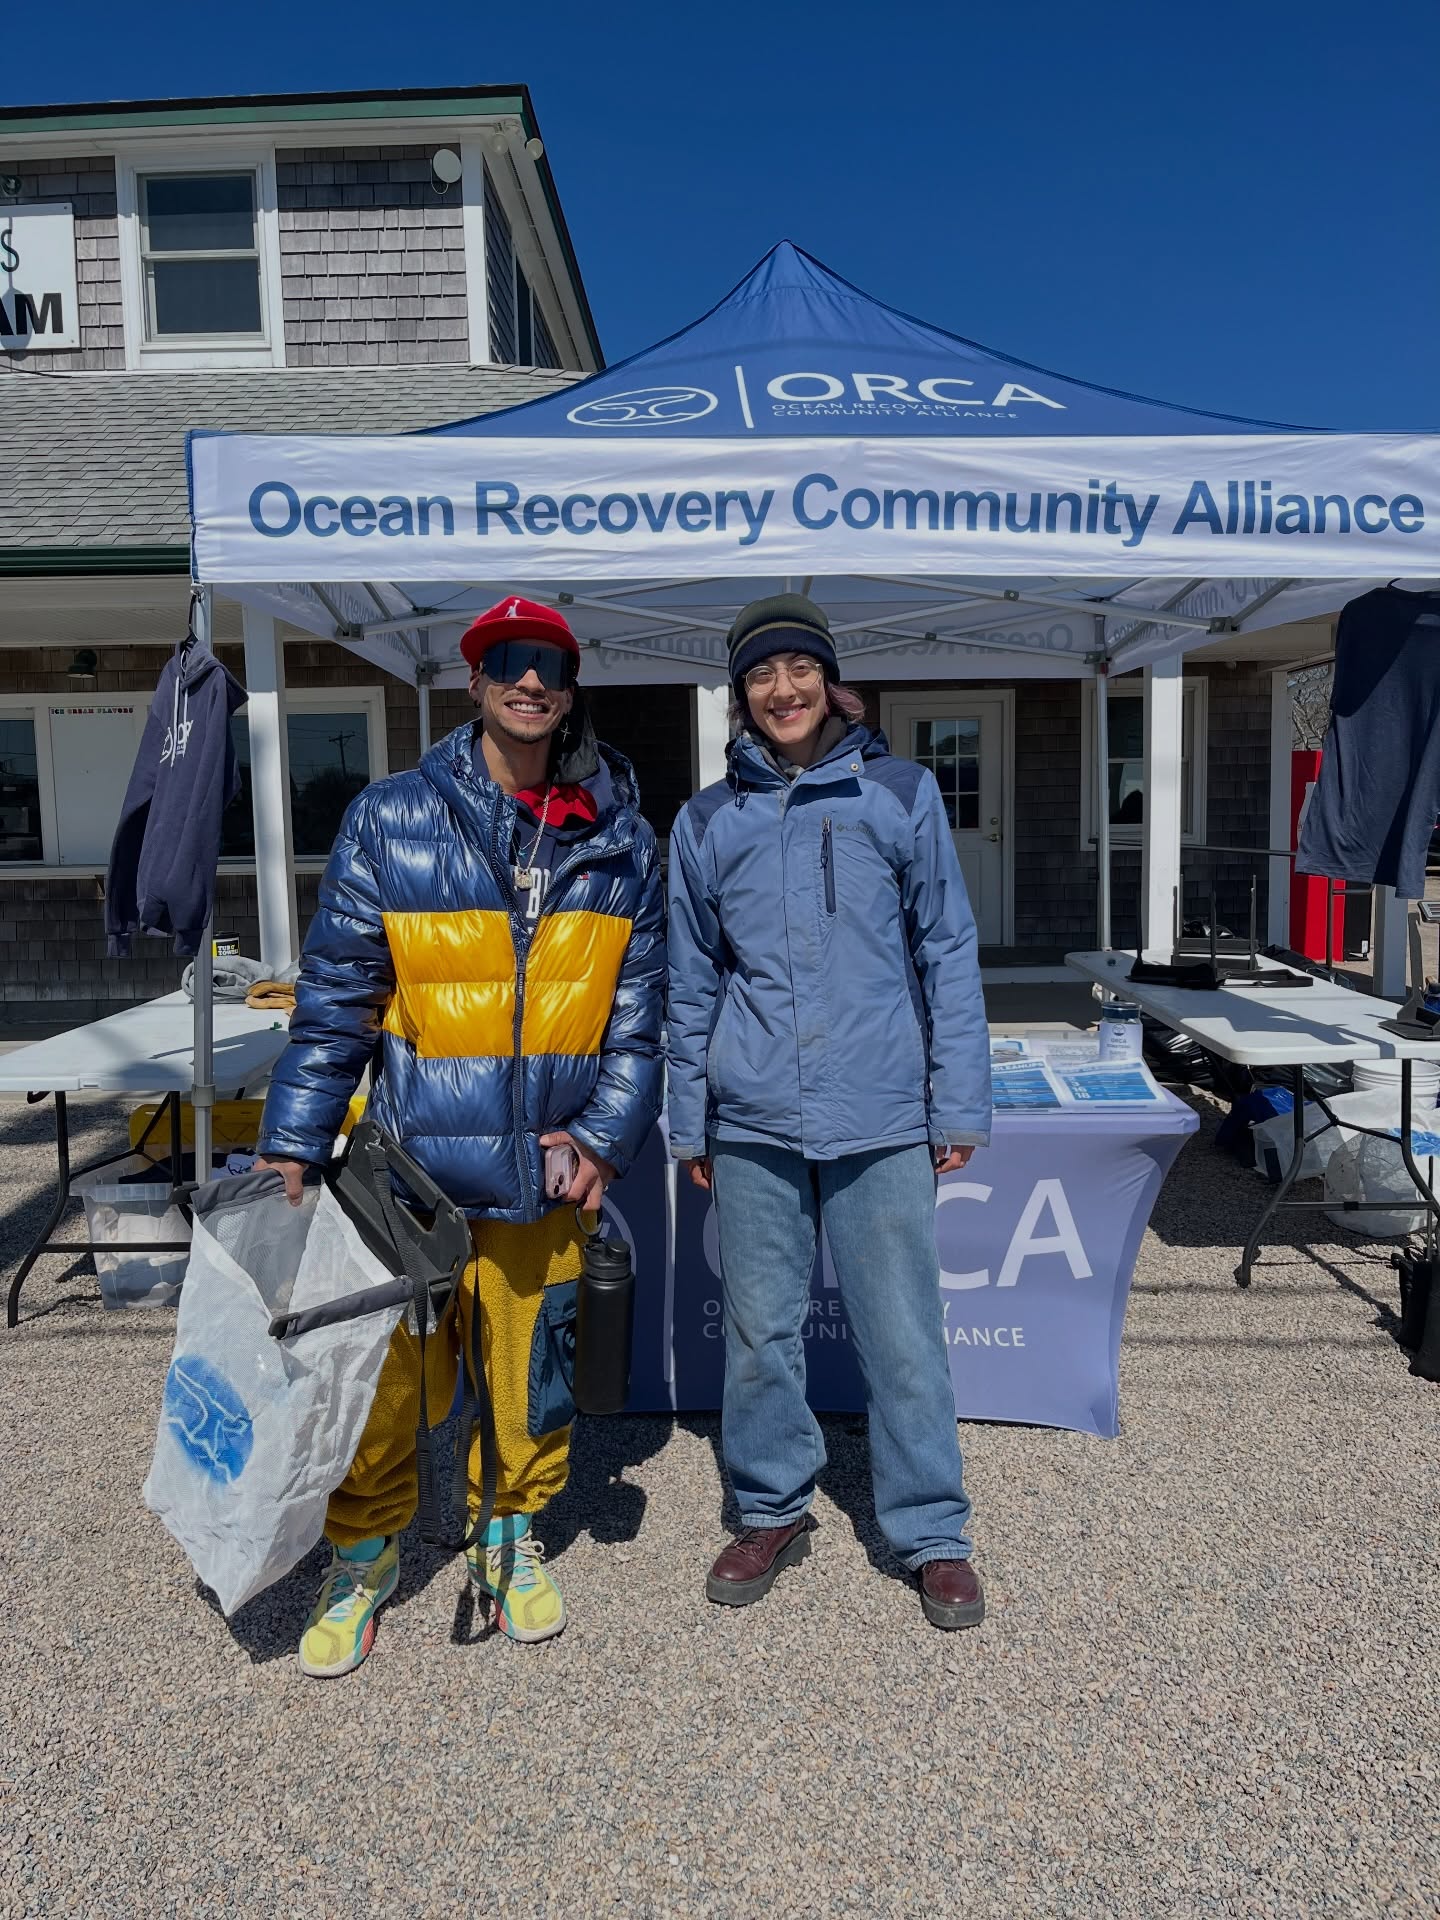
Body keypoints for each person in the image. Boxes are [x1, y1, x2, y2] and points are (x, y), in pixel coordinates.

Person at [255, 596, 665, 1677]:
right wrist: (294, 1140)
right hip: (408, 1172)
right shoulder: (391, 817)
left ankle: (507, 1530)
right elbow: (337, 997)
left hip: (544, 1172)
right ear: (475, 680)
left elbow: (642, 1011)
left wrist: (608, 1139)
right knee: (380, 1386)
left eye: (551, 666)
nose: (531, 683)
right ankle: (364, 1552)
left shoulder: (620, 834)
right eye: (508, 663)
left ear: (570, 690)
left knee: (533, 1381)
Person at [666, 593, 992, 1631]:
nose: (783, 691)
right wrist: (689, 1121)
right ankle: (772, 1505)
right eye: (761, 675)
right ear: (740, 696)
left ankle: (932, 1531)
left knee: (901, 1334)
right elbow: (689, 983)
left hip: (883, 1111)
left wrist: (959, 1099)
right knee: (762, 1332)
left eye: (798, 669)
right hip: (754, 1113)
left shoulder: (899, 794)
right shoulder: (707, 820)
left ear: (828, 679)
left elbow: (947, 949)